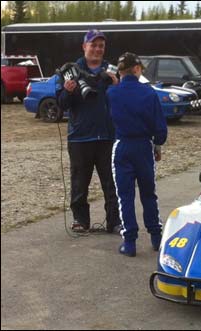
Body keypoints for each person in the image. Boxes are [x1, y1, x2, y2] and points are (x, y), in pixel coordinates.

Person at [57, 29, 121, 233]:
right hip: (80, 137)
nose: (97, 49)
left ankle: (114, 221)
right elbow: (62, 105)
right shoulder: (71, 70)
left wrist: (117, 85)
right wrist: (67, 91)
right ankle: (80, 220)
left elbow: (122, 101)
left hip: (108, 135)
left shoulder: (111, 70)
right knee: (79, 182)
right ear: (84, 46)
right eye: (93, 45)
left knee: (111, 182)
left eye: (101, 45)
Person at [107, 52, 168, 257]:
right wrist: (157, 145)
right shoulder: (149, 93)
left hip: (122, 145)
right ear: (136, 69)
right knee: (148, 193)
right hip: (143, 146)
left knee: (125, 196)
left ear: (119, 71)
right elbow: (160, 127)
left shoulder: (112, 93)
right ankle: (156, 236)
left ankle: (130, 242)